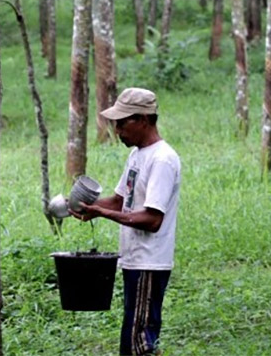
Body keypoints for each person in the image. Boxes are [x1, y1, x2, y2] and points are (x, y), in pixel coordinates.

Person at [71, 87, 181, 355]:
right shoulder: (136, 156)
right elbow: (120, 201)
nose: (117, 130)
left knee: (138, 341)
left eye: (122, 123)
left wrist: (101, 213)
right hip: (134, 259)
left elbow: (152, 219)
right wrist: (84, 205)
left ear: (143, 120)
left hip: (149, 261)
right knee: (134, 331)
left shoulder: (162, 160)